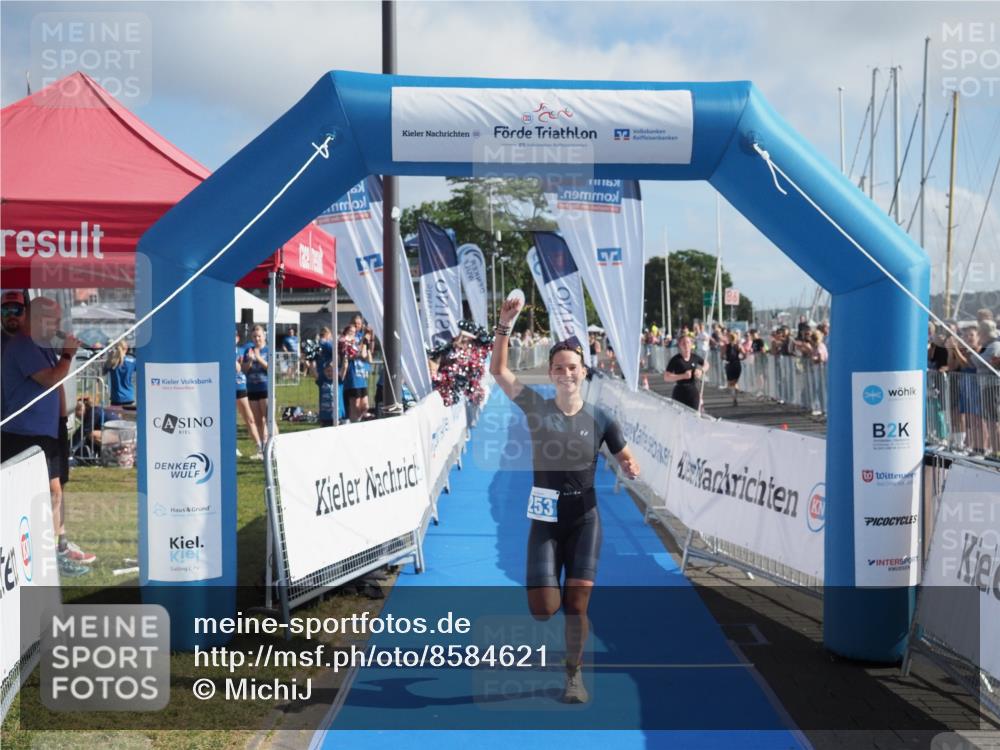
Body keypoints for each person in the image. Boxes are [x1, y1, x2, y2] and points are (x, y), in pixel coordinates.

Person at [489, 296, 640, 704]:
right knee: (543, 609)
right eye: (559, 367)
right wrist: (505, 323)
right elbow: (499, 371)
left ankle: (573, 675)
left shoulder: (602, 418)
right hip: (545, 520)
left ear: (583, 372)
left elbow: (622, 452)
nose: (566, 373)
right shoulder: (537, 408)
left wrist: (629, 464)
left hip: (585, 518)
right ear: (551, 372)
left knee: (576, 605)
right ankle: (562, 646)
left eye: (572, 367)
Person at [1, 296, 94, 576]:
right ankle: (39, 555)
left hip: (44, 431)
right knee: (38, 495)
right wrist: (67, 355)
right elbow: (51, 379)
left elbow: (55, 386)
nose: (56, 326)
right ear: (35, 318)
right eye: (52, 320)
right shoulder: (23, 345)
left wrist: (62, 418)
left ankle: (55, 549)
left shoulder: (37, 346)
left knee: (54, 491)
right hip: (24, 434)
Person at [241, 324, 275, 459]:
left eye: (259, 336)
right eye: (254, 336)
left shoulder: (268, 349)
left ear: (264, 336)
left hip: (265, 388)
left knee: (269, 420)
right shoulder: (248, 351)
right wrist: (249, 360)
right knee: (258, 421)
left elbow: (270, 368)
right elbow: (243, 370)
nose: (257, 339)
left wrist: (258, 358)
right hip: (252, 389)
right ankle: (263, 448)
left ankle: (276, 448)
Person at [235, 329, 262, 459]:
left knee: (250, 418)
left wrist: (249, 361)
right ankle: (232, 447)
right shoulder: (221, 349)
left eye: (234, 336)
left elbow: (243, 369)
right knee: (229, 420)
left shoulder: (242, 350)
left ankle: (259, 447)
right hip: (226, 387)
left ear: (237, 338)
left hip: (240, 386)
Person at [663, 334, 708, 411]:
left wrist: (701, 371)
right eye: (683, 343)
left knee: (694, 416)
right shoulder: (675, 360)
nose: (686, 345)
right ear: (680, 345)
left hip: (692, 391)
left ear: (691, 344)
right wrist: (683, 376)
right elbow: (666, 377)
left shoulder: (695, 357)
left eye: (688, 343)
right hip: (679, 391)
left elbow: (706, 364)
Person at [101, 340, 136, 408]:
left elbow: (103, 372)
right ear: (126, 349)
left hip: (116, 397)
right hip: (128, 396)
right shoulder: (132, 362)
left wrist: (110, 357)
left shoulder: (112, 362)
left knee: (115, 418)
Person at [722, 331, 744, 406]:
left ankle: (734, 398)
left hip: (730, 364)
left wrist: (725, 358)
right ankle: (735, 395)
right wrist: (741, 358)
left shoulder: (725, 346)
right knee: (735, 382)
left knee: (730, 383)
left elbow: (722, 356)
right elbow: (744, 354)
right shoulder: (738, 346)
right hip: (737, 364)